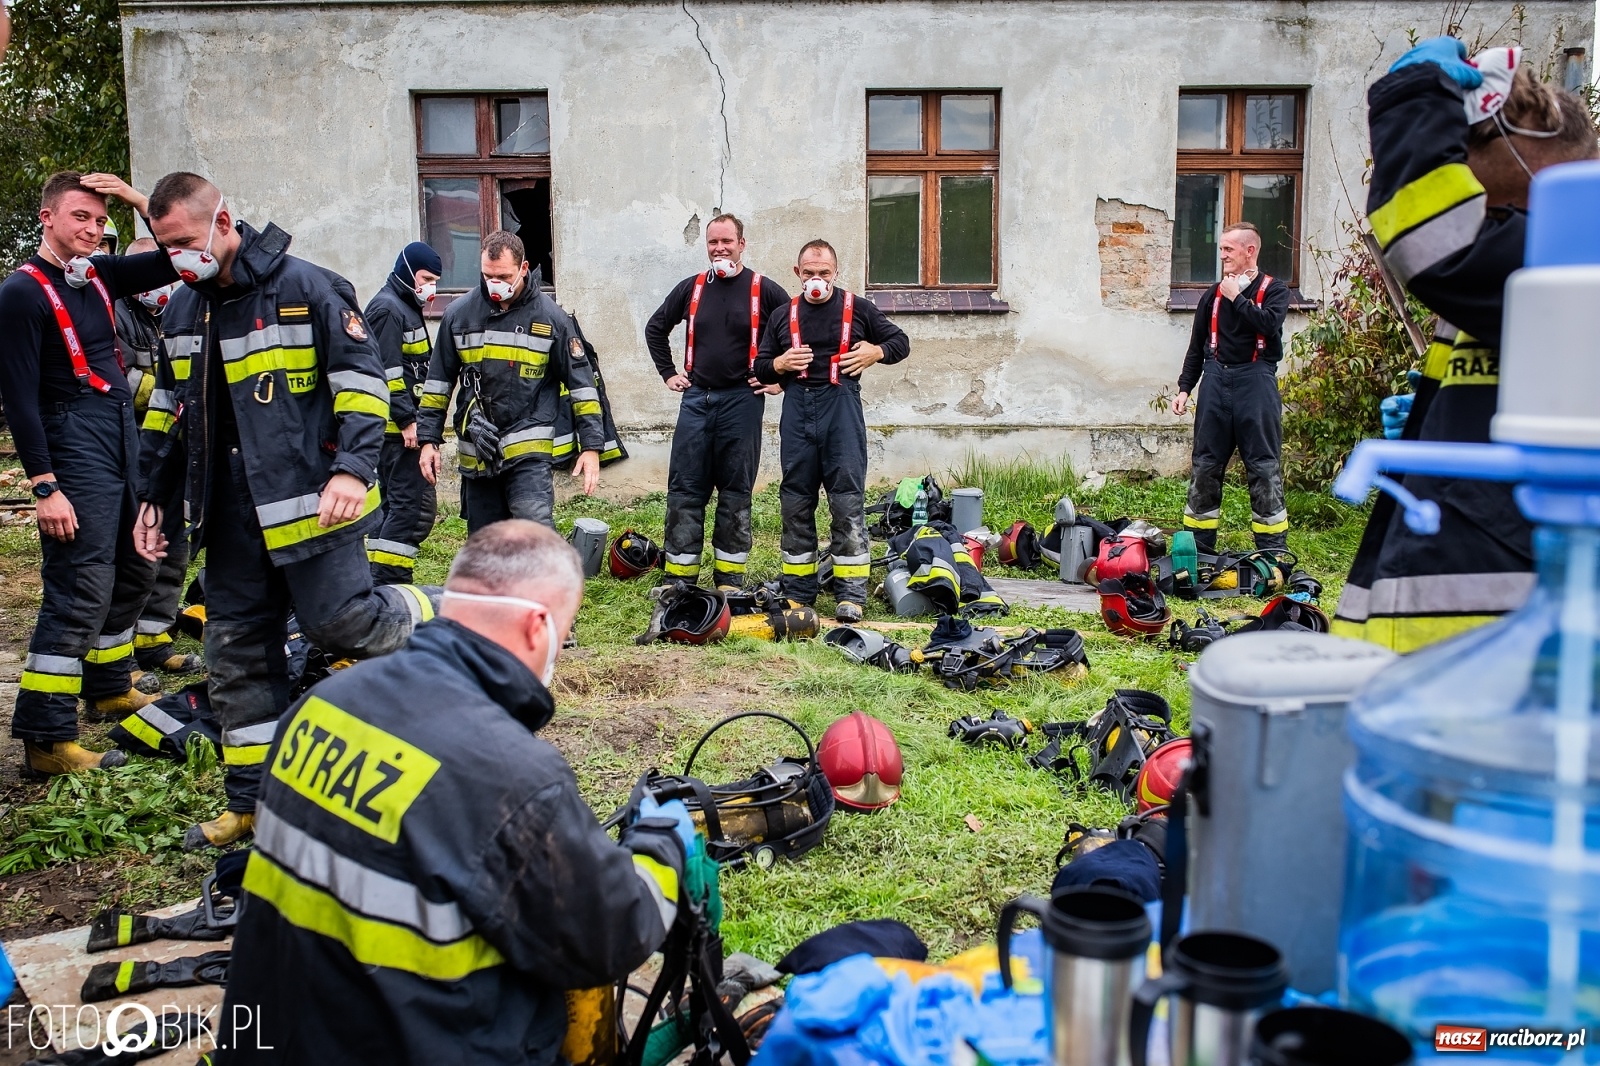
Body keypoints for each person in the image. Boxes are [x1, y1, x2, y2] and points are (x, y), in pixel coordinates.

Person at [218, 520, 692, 1065]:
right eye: (566, 630)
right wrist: (663, 847)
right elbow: (609, 937)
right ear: (539, 627)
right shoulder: (513, 778)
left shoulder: (322, 704)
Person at [139, 172, 439, 848]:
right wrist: (153, 500)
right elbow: (166, 416)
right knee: (237, 658)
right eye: (164, 248)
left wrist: (354, 470)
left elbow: (363, 386)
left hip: (313, 509)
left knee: (344, 624)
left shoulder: (307, 290)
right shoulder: (184, 313)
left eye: (183, 241)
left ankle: (446, 611)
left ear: (223, 220)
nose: (176, 258)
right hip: (229, 521)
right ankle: (253, 804)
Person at [1332, 39, 1599, 652]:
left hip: (1509, 655)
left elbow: (1436, 246)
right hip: (1475, 652)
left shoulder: (1582, 251)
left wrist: (1414, 100)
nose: (1493, 227)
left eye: (1496, 210)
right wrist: (1438, 426)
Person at [0, 172, 175, 776]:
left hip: (120, 431)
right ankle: (46, 740)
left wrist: (137, 203)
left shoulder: (99, 274)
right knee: (81, 584)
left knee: (139, 559)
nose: (93, 230)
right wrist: (44, 486)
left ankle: (108, 686)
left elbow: (183, 258)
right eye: (81, 217)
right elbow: (18, 399)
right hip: (71, 436)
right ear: (47, 218)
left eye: (101, 221)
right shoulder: (21, 293)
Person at [754, 240, 909, 621]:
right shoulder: (782, 315)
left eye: (824, 273)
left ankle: (851, 595)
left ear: (835, 272)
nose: (816, 280)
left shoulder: (859, 309)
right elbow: (759, 367)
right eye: (809, 273)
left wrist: (876, 352)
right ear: (798, 274)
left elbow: (900, 342)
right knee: (795, 502)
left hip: (841, 407)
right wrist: (779, 364)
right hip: (797, 411)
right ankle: (798, 592)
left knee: (846, 501)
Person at [418, 231, 602, 532]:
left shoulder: (551, 318)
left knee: (535, 534)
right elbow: (438, 383)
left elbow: (582, 385)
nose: (495, 284)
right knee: (486, 543)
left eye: (503, 276)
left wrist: (591, 446)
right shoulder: (458, 315)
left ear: (524, 268)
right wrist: (428, 440)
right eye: (488, 275)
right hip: (478, 449)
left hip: (528, 451)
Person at [645, 213, 789, 588]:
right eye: (713, 243)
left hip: (742, 402)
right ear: (706, 246)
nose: (720, 249)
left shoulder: (764, 289)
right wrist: (668, 373)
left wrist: (779, 379)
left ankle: (728, 582)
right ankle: (680, 581)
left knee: (735, 492)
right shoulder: (692, 288)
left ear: (742, 244)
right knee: (685, 489)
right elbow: (655, 328)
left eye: (727, 242)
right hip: (696, 400)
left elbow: (796, 333)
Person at [1171, 222, 1293, 553]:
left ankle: (1272, 552)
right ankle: (1197, 549)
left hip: (1256, 382)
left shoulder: (1275, 289)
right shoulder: (1212, 295)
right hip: (1215, 382)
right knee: (1205, 465)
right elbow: (1197, 346)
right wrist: (1185, 388)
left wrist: (1237, 298)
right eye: (1221, 249)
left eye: (1228, 249)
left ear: (1249, 251)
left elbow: (1268, 324)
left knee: (1264, 467)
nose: (1222, 255)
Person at [114, 236, 199, 677]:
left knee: (173, 544)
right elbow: (119, 377)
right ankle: (119, 652)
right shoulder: (115, 312)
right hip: (132, 447)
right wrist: (171, 390)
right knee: (138, 553)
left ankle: (154, 638)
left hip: (170, 446)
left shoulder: (165, 316)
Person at [363, 242, 442, 585]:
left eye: (436, 280)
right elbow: (388, 372)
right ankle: (390, 584)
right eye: (426, 278)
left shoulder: (405, 306)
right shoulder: (388, 309)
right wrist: (408, 420)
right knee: (411, 511)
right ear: (407, 271)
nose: (431, 287)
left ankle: (374, 581)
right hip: (399, 432)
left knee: (397, 509)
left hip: (406, 428)